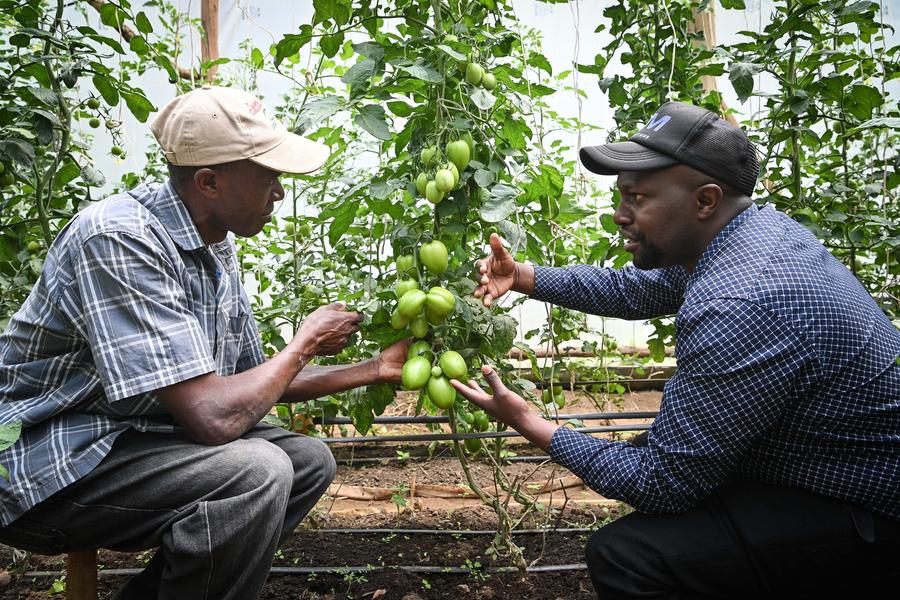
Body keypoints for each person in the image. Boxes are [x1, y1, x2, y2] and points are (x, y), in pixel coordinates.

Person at [452, 101, 900, 598]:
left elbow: (664, 484)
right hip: (828, 463)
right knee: (651, 461)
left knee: (629, 556)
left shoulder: (737, 301)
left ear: (705, 200)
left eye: (637, 197)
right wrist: (522, 277)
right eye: (621, 195)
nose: (620, 215)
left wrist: (530, 423)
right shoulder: (752, 233)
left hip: (868, 508)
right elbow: (636, 291)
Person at [0, 85, 408, 599]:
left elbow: (250, 383)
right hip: (49, 465)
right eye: (268, 177)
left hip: (130, 440)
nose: (279, 193)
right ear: (209, 182)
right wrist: (303, 342)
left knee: (307, 461)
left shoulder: (213, 246)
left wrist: (374, 369)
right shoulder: (118, 238)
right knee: (256, 472)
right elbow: (214, 418)